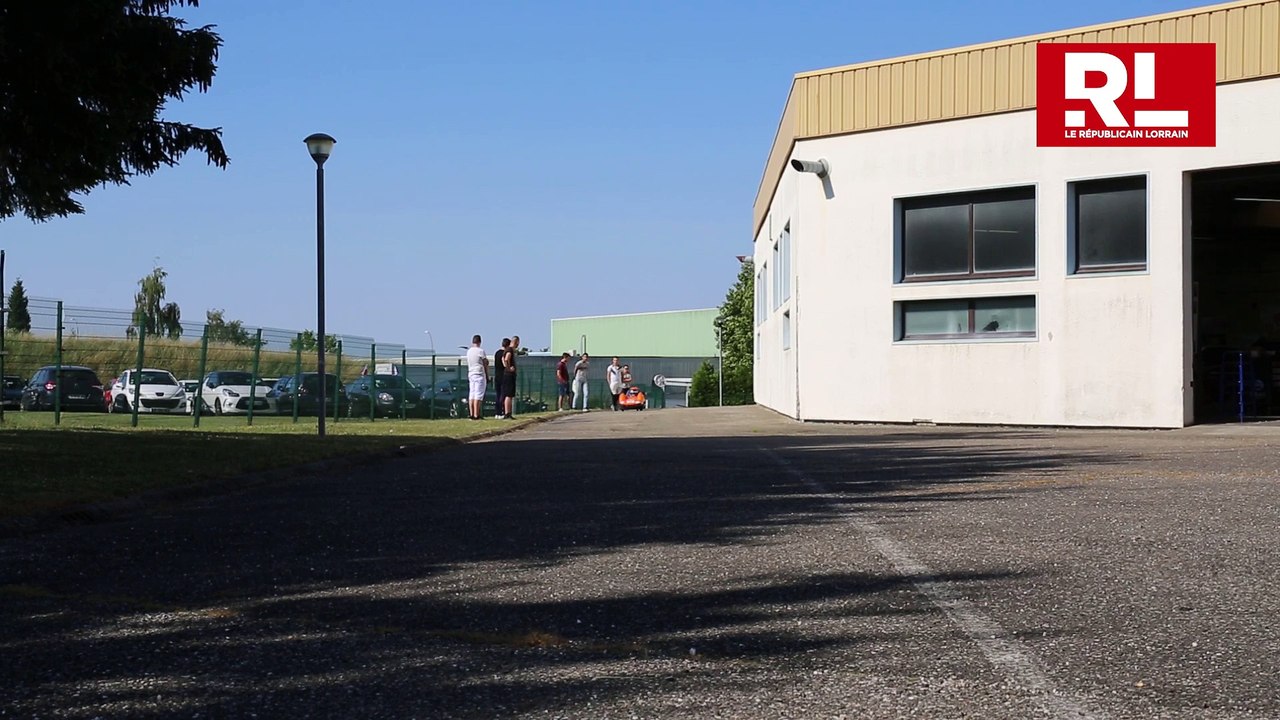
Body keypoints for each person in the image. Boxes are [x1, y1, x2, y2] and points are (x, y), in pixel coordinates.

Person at [464, 335, 489, 420]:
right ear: (480, 342)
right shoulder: (480, 351)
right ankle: (476, 414)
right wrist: (487, 375)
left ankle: (471, 413)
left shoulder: (469, 351)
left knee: (472, 394)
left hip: (471, 373)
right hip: (479, 373)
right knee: (478, 394)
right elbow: (485, 363)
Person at [502, 334, 520, 419]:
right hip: (509, 375)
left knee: (508, 395)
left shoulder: (507, 350)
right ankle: (507, 413)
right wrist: (509, 368)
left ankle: (508, 412)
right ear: (516, 342)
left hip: (507, 374)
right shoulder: (509, 350)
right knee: (509, 395)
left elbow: (503, 359)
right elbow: (506, 359)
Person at [493, 338, 509, 419]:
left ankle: (497, 412)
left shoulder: (497, 353)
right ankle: (501, 412)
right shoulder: (504, 353)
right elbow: (505, 364)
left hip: (497, 375)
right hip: (503, 376)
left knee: (498, 394)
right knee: (503, 395)